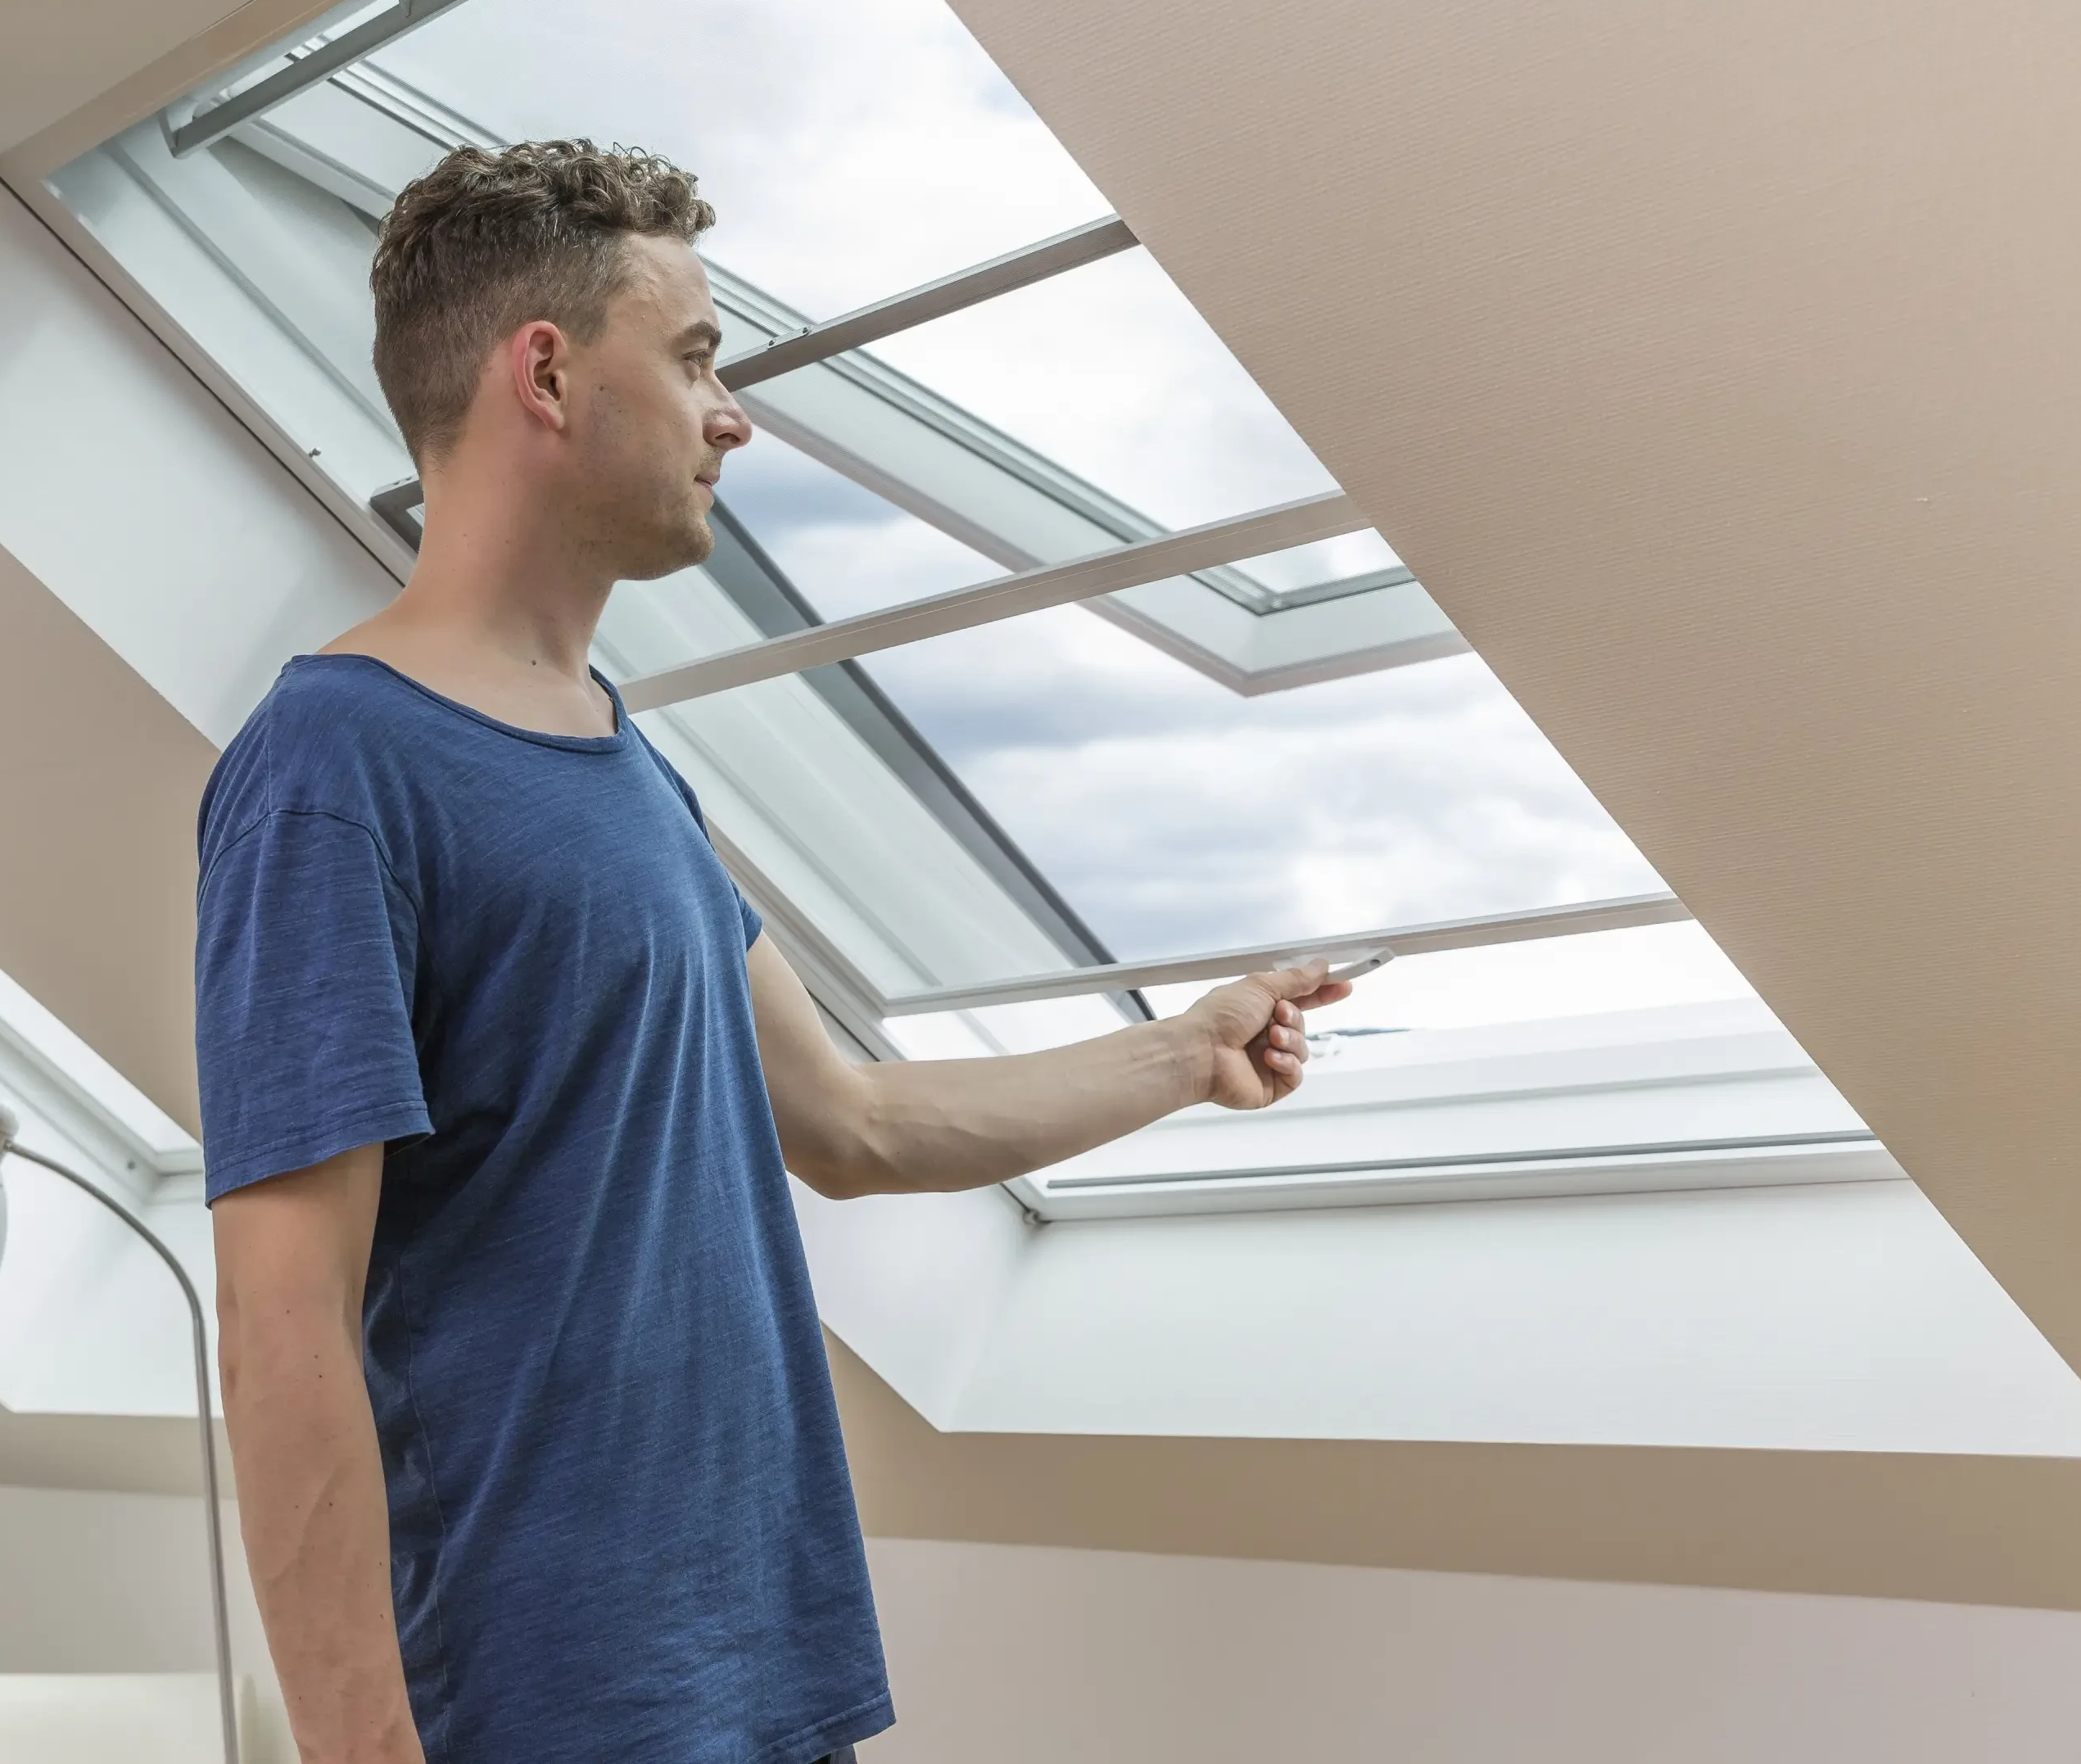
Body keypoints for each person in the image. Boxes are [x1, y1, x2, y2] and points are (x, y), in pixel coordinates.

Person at [195, 140, 1344, 1764]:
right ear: (544, 371)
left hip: (753, 1672)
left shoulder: (625, 765)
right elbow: (279, 1310)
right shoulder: (331, 765)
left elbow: (853, 1125)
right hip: (542, 1707)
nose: (733, 416)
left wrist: (1187, 1048)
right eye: (696, 358)